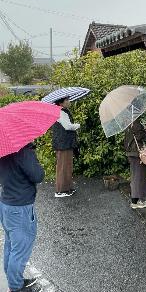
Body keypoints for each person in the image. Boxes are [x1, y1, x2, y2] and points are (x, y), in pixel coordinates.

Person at [0, 144, 44, 292]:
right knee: (20, 249)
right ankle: (15, 287)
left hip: (6, 204)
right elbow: (38, 175)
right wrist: (33, 157)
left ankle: (14, 280)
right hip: (20, 208)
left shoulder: (3, 149)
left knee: (11, 246)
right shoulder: (23, 150)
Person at [52, 97, 80, 198]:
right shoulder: (61, 112)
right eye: (67, 100)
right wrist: (78, 125)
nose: (69, 101)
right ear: (61, 103)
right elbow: (68, 126)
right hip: (63, 143)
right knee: (63, 167)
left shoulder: (62, 111)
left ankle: (66, 188)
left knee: (66, 166)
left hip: (64, 142)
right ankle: (61, 190)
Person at [124, 117, 146, 209]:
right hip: (136, 153)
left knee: (135, 176)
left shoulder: (127, 122)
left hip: (131, 153)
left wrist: (143, 128)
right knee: (139, 177)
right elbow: (139, 136)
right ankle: (139, 201)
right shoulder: (134, 121)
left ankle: (135, 200)